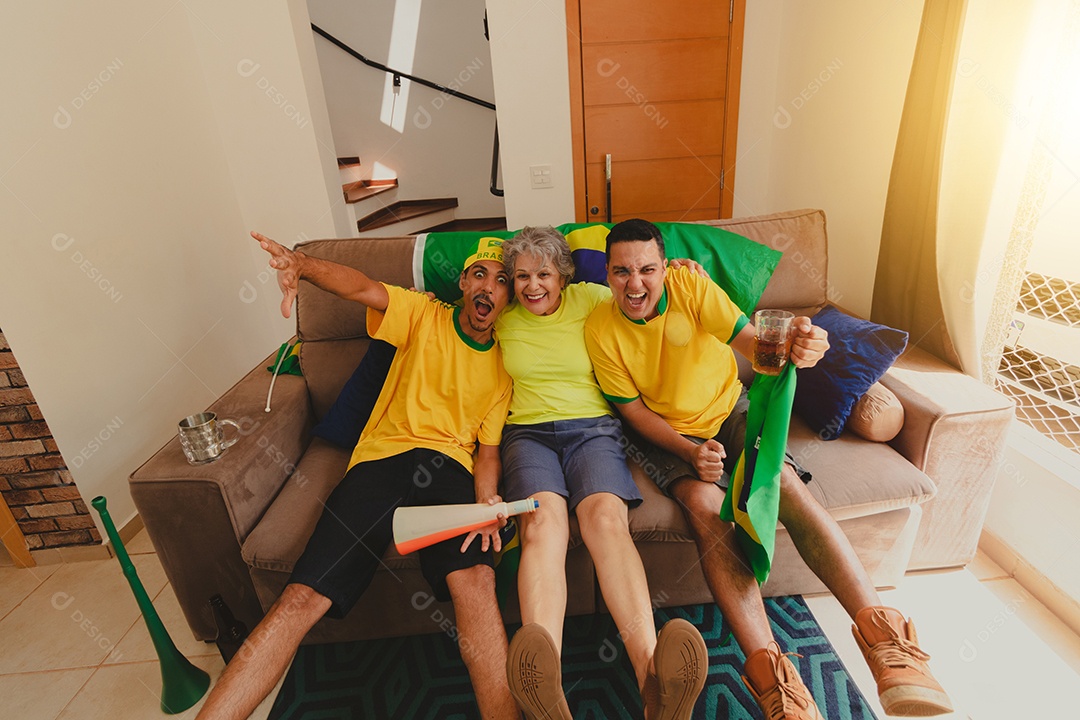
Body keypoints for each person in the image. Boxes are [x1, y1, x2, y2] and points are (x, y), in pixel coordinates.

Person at [583, 219, 953, 720]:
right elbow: (634, 413)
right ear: (606, 273)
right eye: (622, 271)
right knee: (704, 507)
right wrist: (691, 453)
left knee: (779, 481)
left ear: (665, 268)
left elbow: (754, 344)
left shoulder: (691, 284)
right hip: (671, 436)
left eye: (647, 269)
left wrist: (802, 346)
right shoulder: (600, 328)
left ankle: (889, 646)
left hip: (731, 409)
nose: (635, 284)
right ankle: (777, 684)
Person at [195, 232, 519, 720]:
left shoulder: (504, 367)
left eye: (500, 282)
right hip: (381, 460)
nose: (487, 288)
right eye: (479, 274)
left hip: (450, 468)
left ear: (508, 299)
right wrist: (302, 264)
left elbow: (489, 453)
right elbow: (360, 286)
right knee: (303, 595)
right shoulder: (422, 314)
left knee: (474, 581)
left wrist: (487, 502)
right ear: (464, 282)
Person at [495, 227, 707, 720]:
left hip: (593, 430)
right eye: (522, 276)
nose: (532, 286)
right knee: (544, 526)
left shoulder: (593, 300)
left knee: (605, 522)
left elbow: (644, 298)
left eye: (543, 273)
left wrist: (683, 274)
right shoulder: (501, 317)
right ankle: (545, 688)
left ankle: (654, 683)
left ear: (563, 274)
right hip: (526, 435)